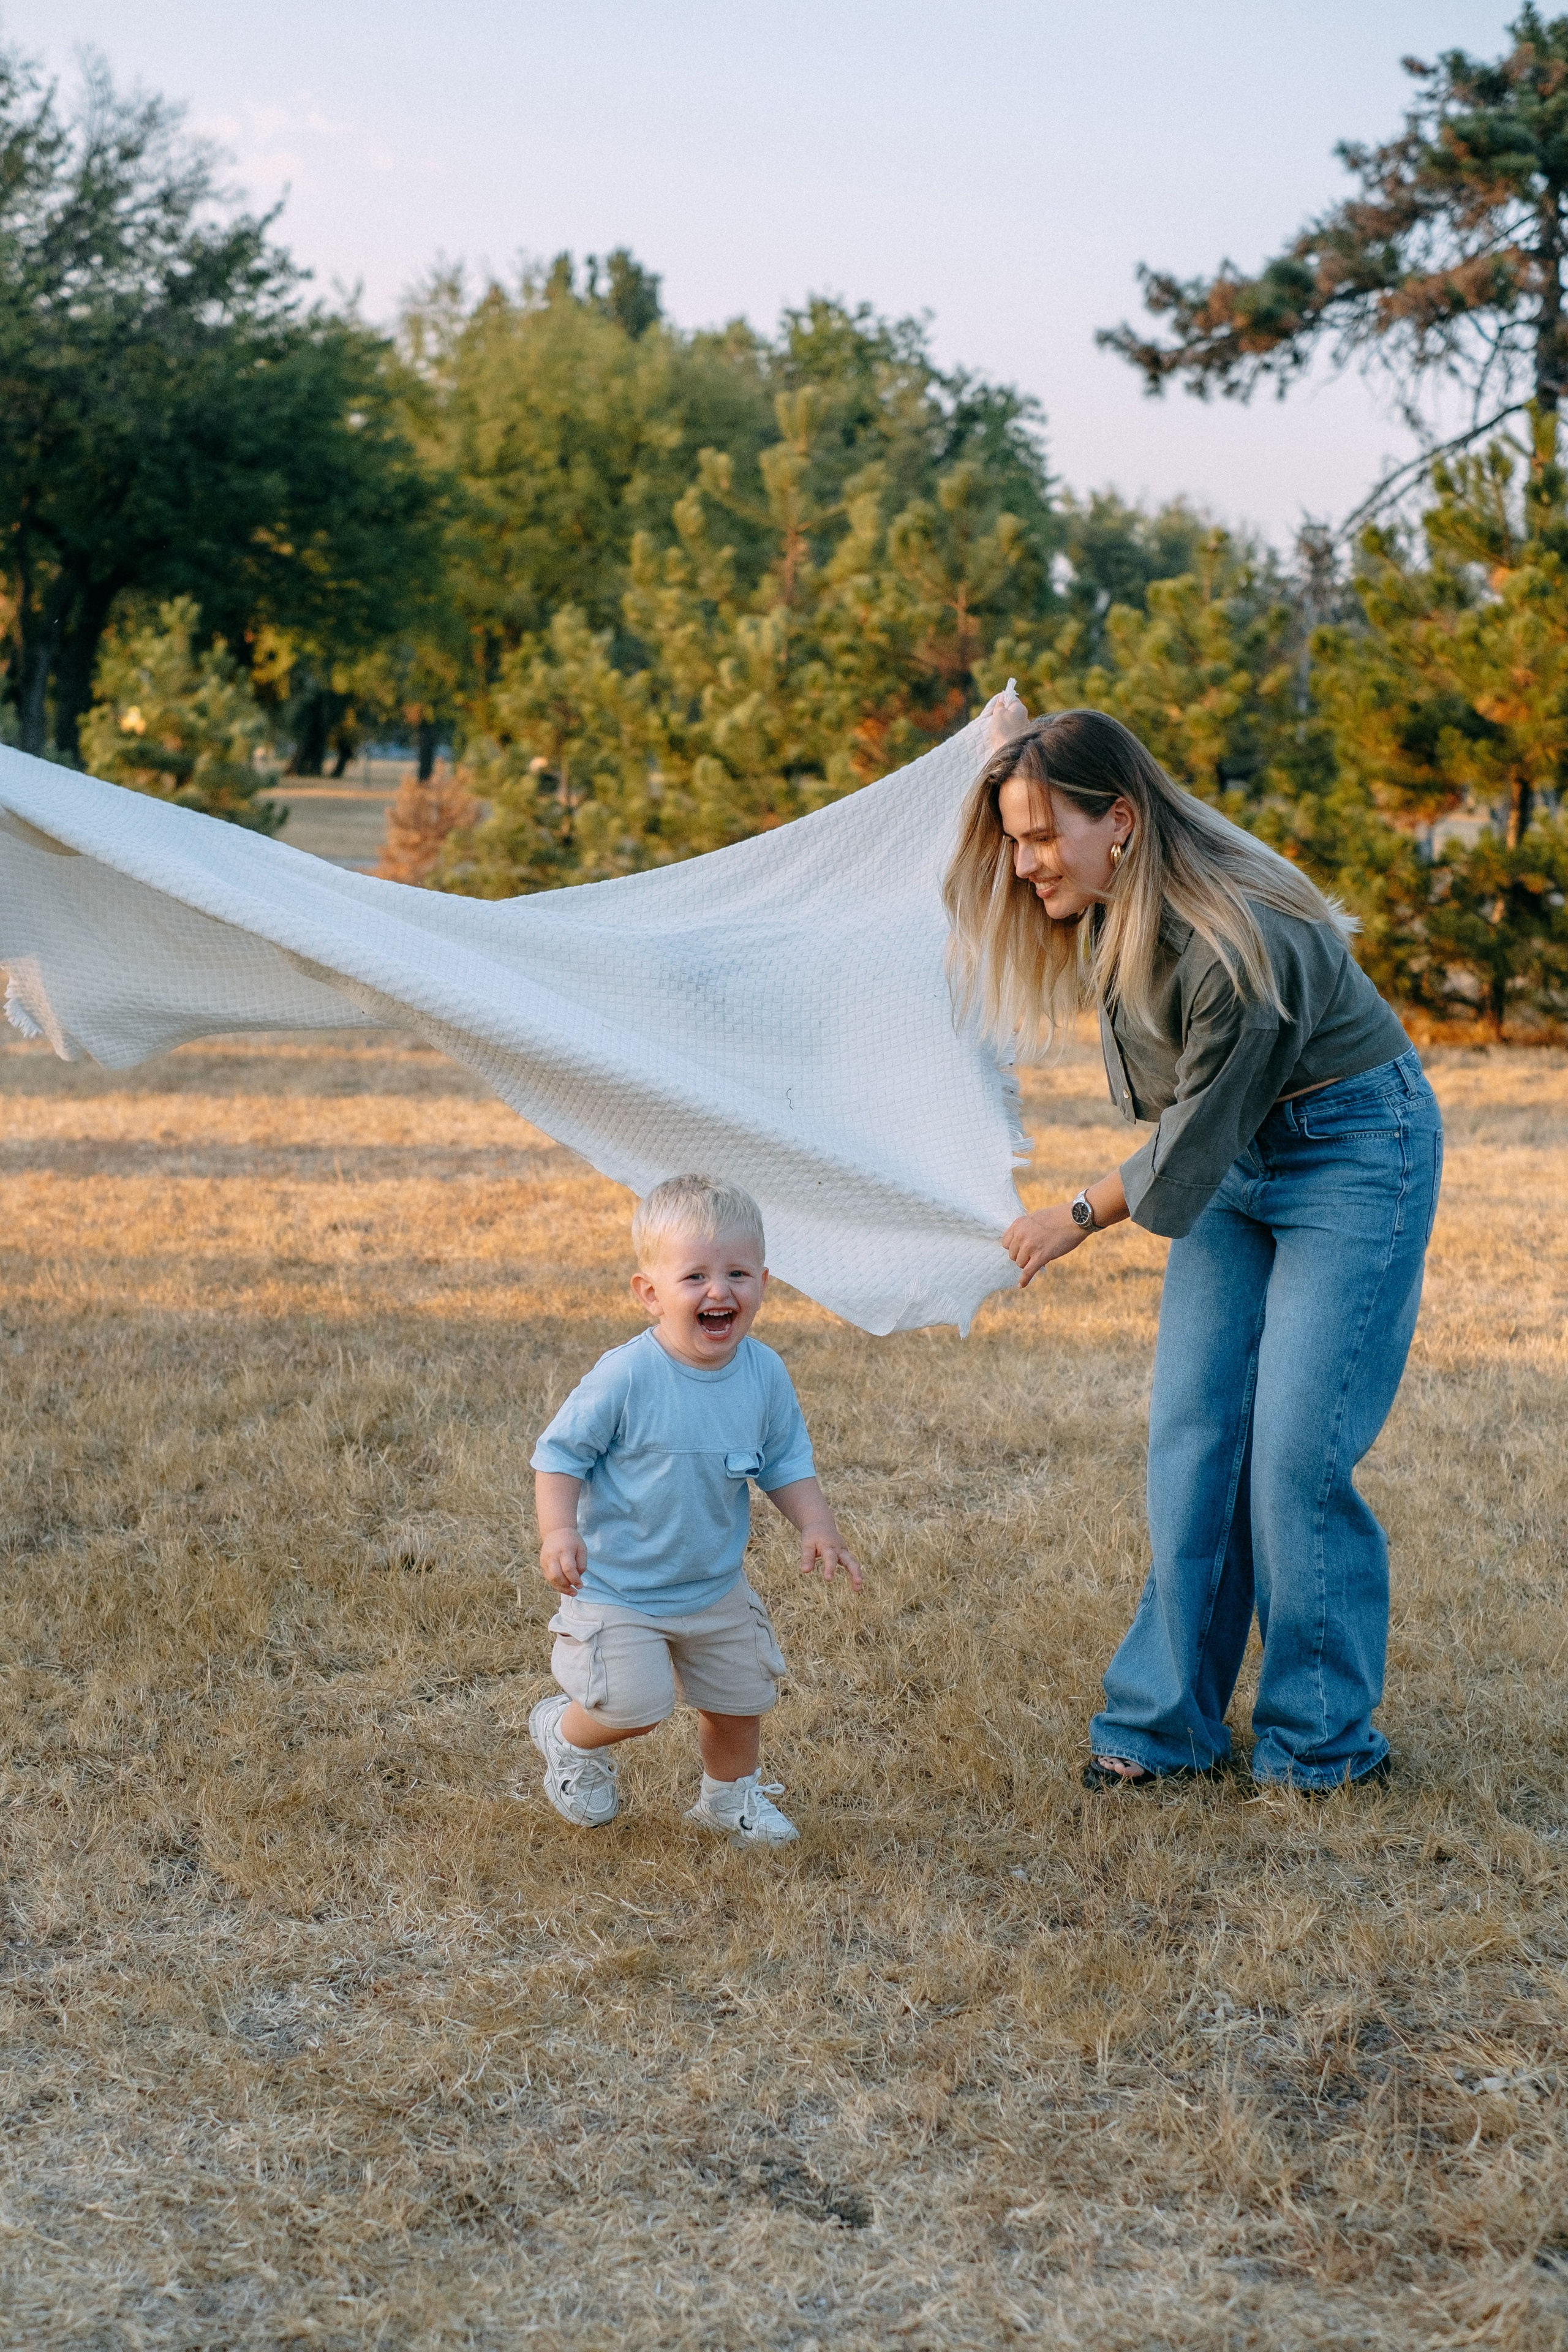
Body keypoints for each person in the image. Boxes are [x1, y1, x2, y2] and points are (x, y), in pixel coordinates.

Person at [943, 709, 1443, 1793]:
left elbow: (1191, 1138)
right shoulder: (1116, 883)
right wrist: (1005, 758)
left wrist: (1073, 1217)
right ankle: (1164, 1727)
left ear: (1121, 822)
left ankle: (1321, 1744)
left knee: (1296, 1457)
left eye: (1042, 838)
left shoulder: (1232, 941)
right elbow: (1204, 1137)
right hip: (1232, 1157)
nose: (1024, 865)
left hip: (1352, 1150)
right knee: (1195, 1438)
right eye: (1017, 839)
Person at [528, 1174, 862, 1844]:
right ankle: (565, 1735)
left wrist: (817, 1524)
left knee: (741, 1701)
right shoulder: (628, 1375)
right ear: (650, 1293)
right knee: (634, 1707)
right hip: (618, 1589)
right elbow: (559, 1455)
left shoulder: (763, 1373)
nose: (719, 1291)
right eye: (695, 1277)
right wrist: (559, 1531)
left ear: (763, 1282)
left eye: (737, 1273)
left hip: (714, 1587)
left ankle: (726, 1800)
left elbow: (784, 1461)